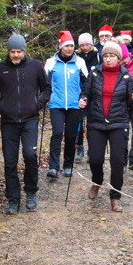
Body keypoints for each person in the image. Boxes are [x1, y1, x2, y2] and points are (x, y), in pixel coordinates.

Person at [0, 34, 51, 214]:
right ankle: (13, 199)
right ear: (8, 52)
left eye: (19, 52)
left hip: (30, 119)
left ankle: (31, 192)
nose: (16, 55)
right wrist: (2, 107)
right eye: (13, 52)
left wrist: (37, 104)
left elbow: (46, 88)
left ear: (25, 51)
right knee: (10, 161)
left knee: (30, 155)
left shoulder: (35, 66)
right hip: (9, 122)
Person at [78, 41, 133, 212]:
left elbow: (130, 102)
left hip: (118, 123)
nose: (108, 59)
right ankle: (97, 181)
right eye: (105, 55)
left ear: (119, 58)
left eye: (112, 56)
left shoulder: (127, 76)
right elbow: (86, 92)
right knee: (95, 159)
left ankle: (115, 196)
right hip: (96, 122)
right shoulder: (95, 73)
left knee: (117, 161)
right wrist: (83, 99)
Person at [44, 30, 88, 179]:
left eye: (71, 46)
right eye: (66, 46)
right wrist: (44, 99)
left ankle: (68, 165)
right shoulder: (51, 63)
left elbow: (87, 84)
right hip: (56, 104)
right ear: (60, 46)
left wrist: (83, 98)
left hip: (75, 105)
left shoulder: (79, 62)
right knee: (56, 134)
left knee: (70, 136)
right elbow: (45, 84)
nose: (69, 48)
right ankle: (53, 167)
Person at [75, 33, 101, 161]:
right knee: (79, 120)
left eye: (87, 44)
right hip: (79, 91)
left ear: (91, 44)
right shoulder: (76, 56)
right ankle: (79, 147)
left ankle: (92, 149)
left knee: (92, 122)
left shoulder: (98, 56)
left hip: (94, 92)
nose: (85, 47)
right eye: (82, 45)